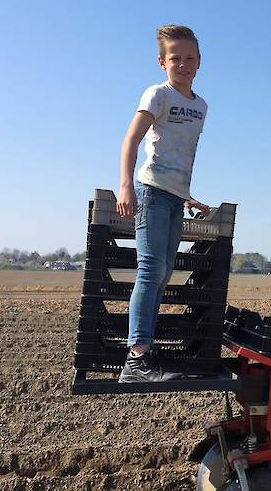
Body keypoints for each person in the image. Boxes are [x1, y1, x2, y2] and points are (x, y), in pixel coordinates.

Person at [115, 25, 212, 383]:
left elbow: (182, 154)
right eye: (175, 58)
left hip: (174, 197)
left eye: (189, 58)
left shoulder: (200, 107)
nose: (183, 64)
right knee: (150, 270)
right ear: (162, 62)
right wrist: (126, 186)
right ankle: (136, 359)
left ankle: (145, 355)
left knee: (164, 274)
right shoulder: (158, 94)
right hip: (151, 192)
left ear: (200, 63)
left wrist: (187, 196)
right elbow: (131, 141)